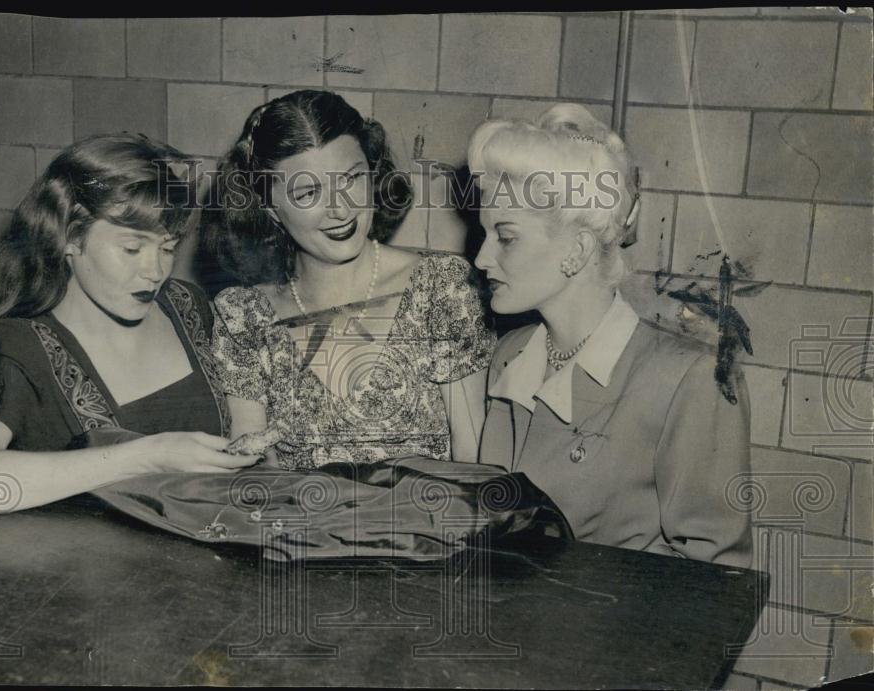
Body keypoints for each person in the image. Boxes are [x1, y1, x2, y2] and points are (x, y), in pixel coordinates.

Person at [470, 104, 753, 567]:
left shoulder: (691, 378)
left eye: (505, 237)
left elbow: (713, 571)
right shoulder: (511, 356)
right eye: (484, 234)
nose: (482, 258)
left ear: (577, 249)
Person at [0, 134, 258, 518]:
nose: (155, 271)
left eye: (168, 248)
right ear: (70, 237)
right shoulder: (14, 347)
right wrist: (147, 456)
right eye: (132, 248)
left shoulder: (186, 306)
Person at [209, 90, 495, 470]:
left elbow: (472, 450)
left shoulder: (441, 287)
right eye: (308, 192)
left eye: (352, 178)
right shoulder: (244, 317)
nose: (341, 209)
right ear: (270, 209)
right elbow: (254, 462)